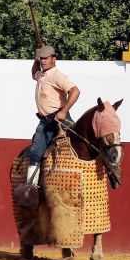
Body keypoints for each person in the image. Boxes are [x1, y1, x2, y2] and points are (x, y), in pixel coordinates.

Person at [25, 44, 80, 185]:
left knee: (78, 145)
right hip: (45, 122)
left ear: (53, 59)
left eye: (45, 58)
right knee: (35, 151)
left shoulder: (57, 75)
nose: (43, 61)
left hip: (60, 118)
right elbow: (33, 73)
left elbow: (75, 91)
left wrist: (64, 111)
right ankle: (31, 186)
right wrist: (36, 58)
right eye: (41, 59)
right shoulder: (41, 75)